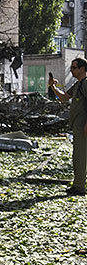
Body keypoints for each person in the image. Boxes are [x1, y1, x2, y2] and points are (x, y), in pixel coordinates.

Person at [49, 57, 87, 195]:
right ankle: (78, 184)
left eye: (74, 67)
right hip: (77, 126)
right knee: (78, 156)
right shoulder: (77, 84)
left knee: (80, 158)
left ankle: (79, 187)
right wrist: (52, 87)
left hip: (83, 127)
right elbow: (64, 97)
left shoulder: (85, 83)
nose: (71, 70)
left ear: (82, 69)